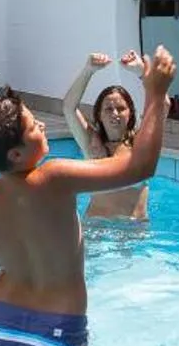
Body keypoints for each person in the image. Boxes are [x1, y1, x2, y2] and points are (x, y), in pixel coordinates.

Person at [0, 47, 177, 346]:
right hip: (57, 334)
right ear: (16, 153)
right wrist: (155, 92)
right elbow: (142, 166)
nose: (40, 124)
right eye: (32, 126)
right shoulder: (56, 177)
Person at [59, 50, 150, 222]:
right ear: (99, 115)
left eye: (121, 108)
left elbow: (161, 105)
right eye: (108, 109)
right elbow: (68, 107)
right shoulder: (91, 144)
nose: (115, 113)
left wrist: (141, 71)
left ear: (130, 113)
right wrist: (88, 70)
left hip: (133, 236)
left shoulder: (141, 143)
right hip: (97, 230)